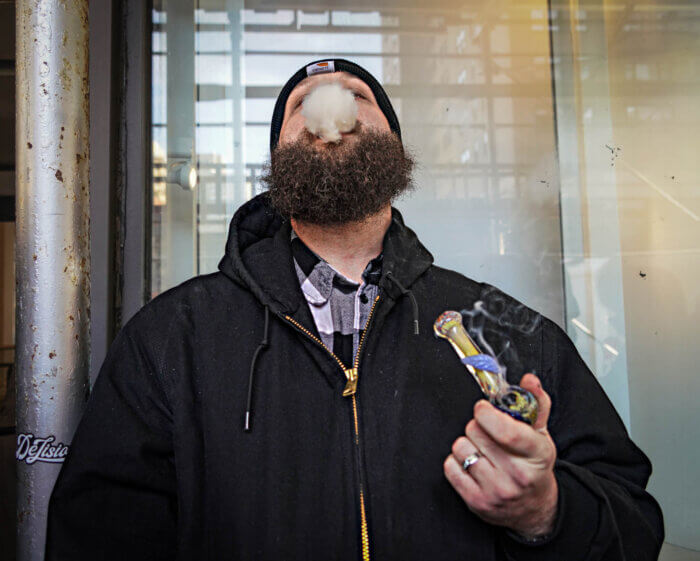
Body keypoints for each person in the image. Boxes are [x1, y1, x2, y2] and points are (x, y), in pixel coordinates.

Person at [45, 59, 663, 560]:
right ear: (276, 156)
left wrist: (545, 513)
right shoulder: (170, 338)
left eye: (355, 97)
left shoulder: (502, 329)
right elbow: (97, 536)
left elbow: (633, 524)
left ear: (393, 143)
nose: (329, 111)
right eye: (302, 104)